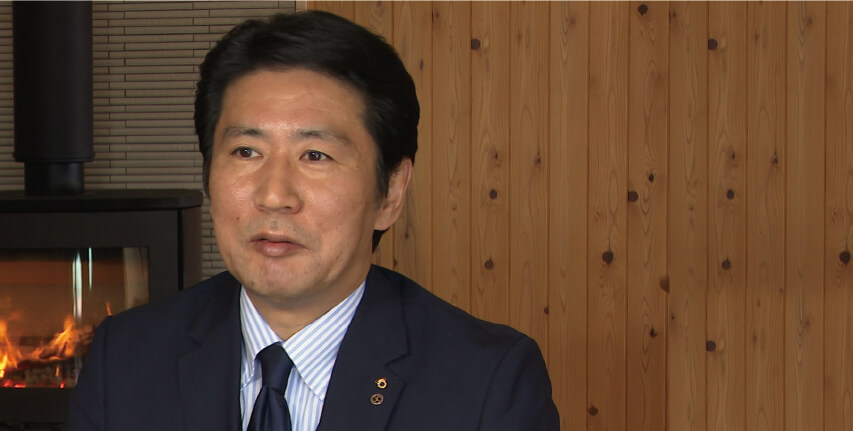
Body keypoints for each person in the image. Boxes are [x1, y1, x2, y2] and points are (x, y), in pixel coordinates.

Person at [65, 10, 559, 431]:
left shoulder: (488, 382)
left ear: (390, 192)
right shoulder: (125, 358)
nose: (274, 195)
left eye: (315, 155)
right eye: (246, 151)